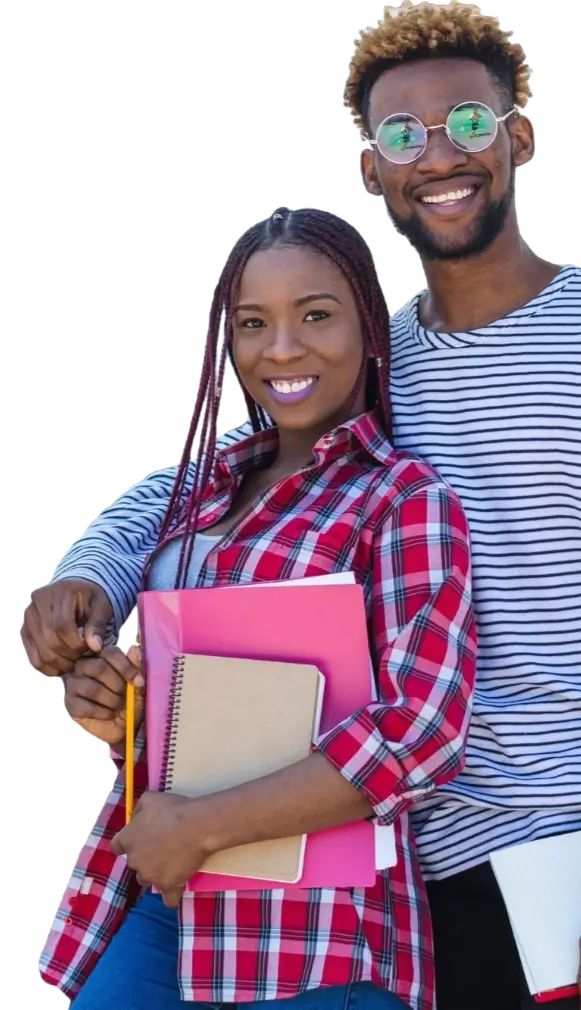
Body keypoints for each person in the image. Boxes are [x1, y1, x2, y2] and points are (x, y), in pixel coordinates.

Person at [26, 4, 581, 1010]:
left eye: (468, 121)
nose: (437, 153)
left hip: (579, 859)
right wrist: (89, 570)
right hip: (397, 860)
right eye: (401, 134)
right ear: (371, 169)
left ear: (519, 137)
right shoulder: (372, 351)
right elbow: (200, 484)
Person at [35, 208, 477, 1009]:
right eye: (252, 323)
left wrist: (204, 826)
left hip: (312, 935)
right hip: (167, 894)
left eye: (315, 315)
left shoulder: (403, 500)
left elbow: (422, 730)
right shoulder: (206, 485)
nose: (282, 349)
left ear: (370, 327)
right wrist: (116, 692)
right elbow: (155, 628)